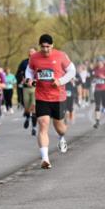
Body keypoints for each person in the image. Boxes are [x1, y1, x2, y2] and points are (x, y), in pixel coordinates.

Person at [25, 34, 75, 169]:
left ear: (52, 45)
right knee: (43, 124)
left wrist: (60, 81)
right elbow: (29, 71)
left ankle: (62, 138)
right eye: (43, 46)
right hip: (42, 96)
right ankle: (45, 158)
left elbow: (72, 71)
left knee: (60, 127)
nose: (46, 49)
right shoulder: (34, 57)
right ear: (39, 46)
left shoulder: (61, 55)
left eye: (48, 46)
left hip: (58, 97)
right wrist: (30, 79)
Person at [18, 48, 36, 135]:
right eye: (29, 52)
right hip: (26, 88)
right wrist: (22, 79)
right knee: (27, 108)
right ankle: (28, 118)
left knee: (34, 107)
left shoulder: (39, 62)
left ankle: (34, 127)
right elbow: (18, 73)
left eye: (32, 52)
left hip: (36, 88)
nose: (30, 53)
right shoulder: (24, 62)